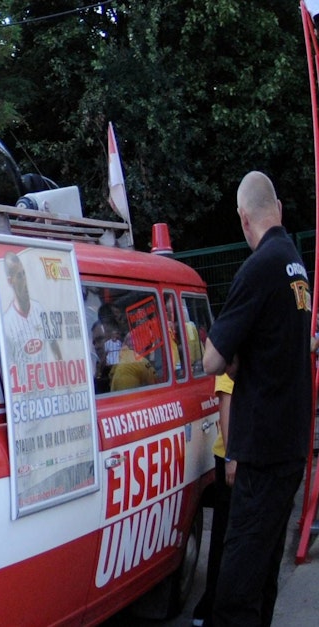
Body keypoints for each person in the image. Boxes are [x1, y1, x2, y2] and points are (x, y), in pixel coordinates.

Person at [203, 171, 314, 626]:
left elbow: (212, 359)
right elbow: (286, 347)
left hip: (262, 452)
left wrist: (231, 357)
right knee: (264, 571)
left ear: (243, 219)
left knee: (236, 588)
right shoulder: (295, 265)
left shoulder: (259, 268)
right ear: (280, 211)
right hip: (289, 447)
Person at [192, 374, 234, 627]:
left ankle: (213, 605)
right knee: (223, 535)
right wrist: (231, 457)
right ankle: (211, 607)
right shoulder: (233, 351)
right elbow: (226, 403)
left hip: (239, 456)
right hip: (232, 458)